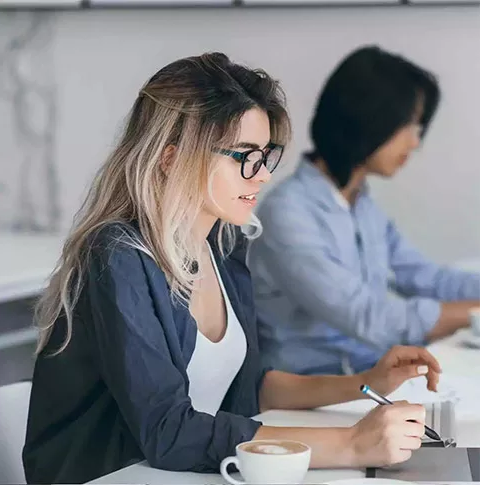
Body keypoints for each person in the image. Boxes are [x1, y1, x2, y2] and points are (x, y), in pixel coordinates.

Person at [24, 52, 442, 485]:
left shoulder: (224, 247)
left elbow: (249, 387)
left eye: (265, 156)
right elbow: (169, 431)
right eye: (244, 156)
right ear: (170, 158)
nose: (260, 175)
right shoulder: (118, 256)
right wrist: (351, 444)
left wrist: (364, 382)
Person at [248, 45, 480, 377]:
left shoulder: (362, 204)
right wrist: (474, 311)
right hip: (315, 395)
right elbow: (369, 317)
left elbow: (428, 279)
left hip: (370, 377)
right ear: (371, 120)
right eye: (410, 126)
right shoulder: (286, 214)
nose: (416, 143)